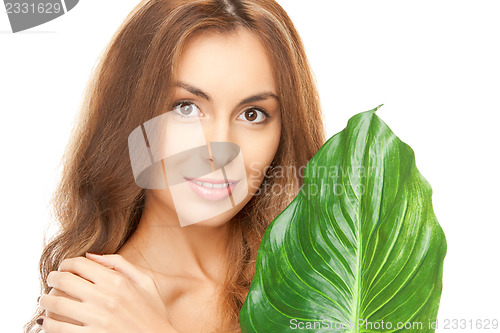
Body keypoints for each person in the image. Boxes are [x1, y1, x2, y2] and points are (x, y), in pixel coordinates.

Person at [24, 0, 325, 332]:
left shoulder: (320, 279)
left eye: (252, 114)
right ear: (131, 120)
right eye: (186, 108)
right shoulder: (94, 310)